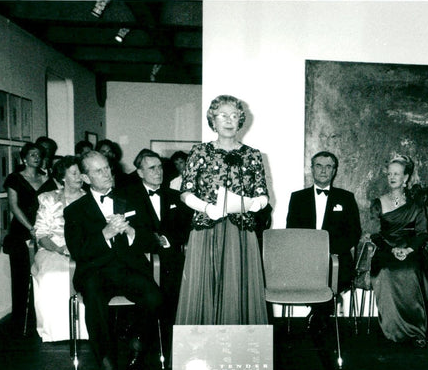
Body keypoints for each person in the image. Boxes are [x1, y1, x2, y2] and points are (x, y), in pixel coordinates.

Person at [64, 151, 163, 370]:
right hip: (95, 272)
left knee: (155, 297)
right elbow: (79, 252)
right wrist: (105, 234)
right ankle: (107, 368)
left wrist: (130, 230)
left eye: (107, 168)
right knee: (95, 301)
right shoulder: (75, 211)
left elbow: (150, 242)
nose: (107, 174)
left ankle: (137, 345)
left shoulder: (129, 200)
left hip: (128, 269)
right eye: (98, 171)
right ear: (86, 178)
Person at [175, 95, 269, 326]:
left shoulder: (253, 154)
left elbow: (263, 194)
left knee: (238, 287)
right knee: (205, 286)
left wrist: (255, 204)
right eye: (223, 115)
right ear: (213, 121)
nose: (229, 120)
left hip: (241, 231)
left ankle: (237, 351)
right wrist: (206, 207)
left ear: (240, 121)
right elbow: (185, 192)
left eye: (234, 115)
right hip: (207, 228)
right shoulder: (200, 152)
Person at [117, 149, 192, 356]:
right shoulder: (126, 196)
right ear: (140, 172)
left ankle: (173, 343)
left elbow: (186, 229)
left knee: (180, 286)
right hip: (140, 259)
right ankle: (141, 338)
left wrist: (167, 240)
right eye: (152, 168)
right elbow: (125, 231)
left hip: (171, 259)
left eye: (160, 167)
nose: (158, 172)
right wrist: (151, 242)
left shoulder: (176, 196)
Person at [286, 151, 361, 331]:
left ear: (334, 171)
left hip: (336, 258)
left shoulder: (346, 198)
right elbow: (292, 230)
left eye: (328, 167)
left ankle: (318, 314)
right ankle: (322, 313)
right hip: (306, 259)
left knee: (333, 270)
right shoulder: (298, 198)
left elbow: (354, 232)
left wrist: (329, 251)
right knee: (311, 272)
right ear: (312, 169)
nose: (323, 171)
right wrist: (311, 252)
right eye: (319, 166)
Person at [369, 154, 428, 347]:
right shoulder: (378, 202)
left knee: (414, 271)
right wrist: (391, 250)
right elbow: (375, 234)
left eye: (397, 174)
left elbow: (423, 232)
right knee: (386, 272)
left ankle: (417, 330)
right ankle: (393, 330)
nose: (392, 177)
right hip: (385, 250)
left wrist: (408, 249)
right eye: (389, 173)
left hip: (412, 250)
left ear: (405, 178)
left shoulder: (416, 203)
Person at [31, 156, 88, 342]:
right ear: (63, 176)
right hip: (52, 249)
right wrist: (61, 249)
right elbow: (41, 234)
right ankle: (55, 332)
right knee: (53, 275)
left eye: (81, 171)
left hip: (84, 250)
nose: (79, 176)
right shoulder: (48, 198)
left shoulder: (91, 199)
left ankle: (85, 332)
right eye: (74, 173)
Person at [2, 142, 58, 331]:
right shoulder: (15, 178)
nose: (36, 157)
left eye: (38, 154)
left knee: (43, 273)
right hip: (21, 231)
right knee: (21, 275)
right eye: (32, 154)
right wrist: (31, 228)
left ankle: (43, 318)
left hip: (45, 230)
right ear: (24, 158)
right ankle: (19, 322)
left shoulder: (47, 178)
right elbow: (14, 206)